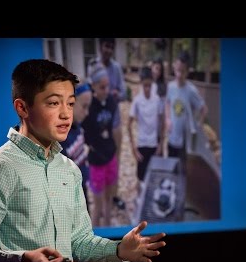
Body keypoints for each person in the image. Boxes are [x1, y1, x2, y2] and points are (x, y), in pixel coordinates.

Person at [0, 59, 167, 262]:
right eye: (53, 103)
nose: (65, 113)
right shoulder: (1, 165)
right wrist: (24, 260)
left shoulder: (69, 169)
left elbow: (79, 242)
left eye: (70, 103)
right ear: (22, 108)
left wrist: (119, 250)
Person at [87, 38, 127, 210]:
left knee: (114, 161)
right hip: (97, 124)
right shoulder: (93, 65)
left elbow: (124, 92)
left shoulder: (116, 68)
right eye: (106, 45)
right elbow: (88, 92)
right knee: (100, 164)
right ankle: (101, 201)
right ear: (100, 46)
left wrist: (116, 93)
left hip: (114, 122)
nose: (109, 49)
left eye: (112, 46)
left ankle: (112, 197)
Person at [164, 51, 208, 175]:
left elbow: (204, 109)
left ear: (188, 71)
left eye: (182, 71)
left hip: (186, 142)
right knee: (172, 170)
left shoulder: (191, 90)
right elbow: (167, 102)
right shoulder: (171, 86)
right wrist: (167, 119)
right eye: (177, 70)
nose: (178, 74)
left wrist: (198, 126)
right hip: (172, 137)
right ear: (174, 67)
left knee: (184, 172)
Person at [128, 66, 165, 196]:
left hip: (154, 144)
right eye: (145, 86)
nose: (147, 89)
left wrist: (160, 144)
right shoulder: (137, 101)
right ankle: (140, 202)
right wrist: (134, 149)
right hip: (142, 144)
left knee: (154, 175)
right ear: (141, 84)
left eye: (150, 85)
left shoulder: (157, 100)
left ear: (152, 83)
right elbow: (129, 123)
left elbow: (162, 122)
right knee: (141, 177)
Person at [60, 81, 92, 207]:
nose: (87, 112)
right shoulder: (60, 138)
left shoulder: (77, 125)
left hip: (82, 190)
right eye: (84, 106)